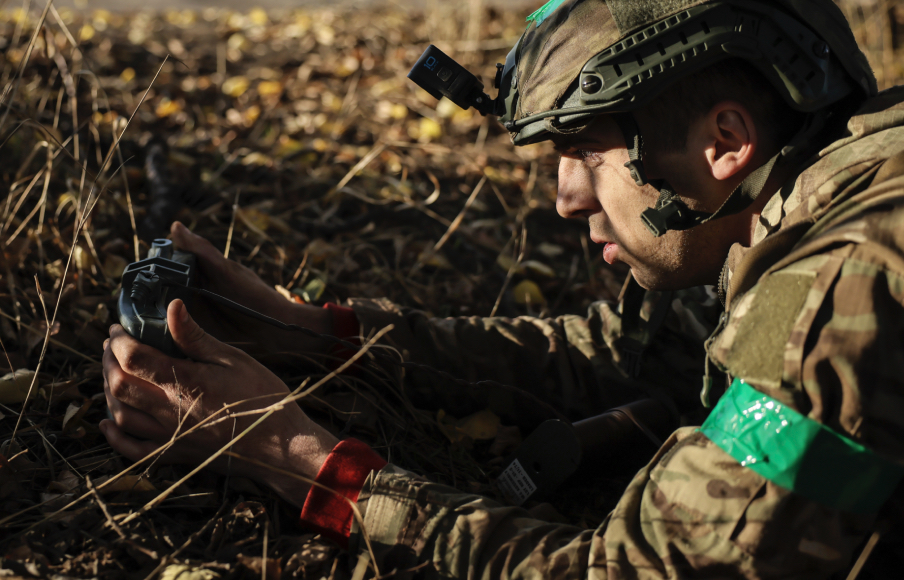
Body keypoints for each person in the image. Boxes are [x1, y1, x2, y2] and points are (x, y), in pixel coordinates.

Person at [101, 0, 904, 576]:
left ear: (726, 141)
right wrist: (311, 330)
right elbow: (622, 355)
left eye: (585, 153)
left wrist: (294, 460)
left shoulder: (834, 294)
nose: (564, 197)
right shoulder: (822, 190)